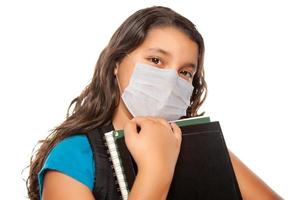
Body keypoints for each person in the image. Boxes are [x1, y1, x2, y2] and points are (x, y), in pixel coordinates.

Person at [26, 6, 282, 200]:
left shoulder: (204, 146)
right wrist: (156, 168)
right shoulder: (73, 157)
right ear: (116, 63)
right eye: (156, 61)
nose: (170, 80)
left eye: (184, 72)